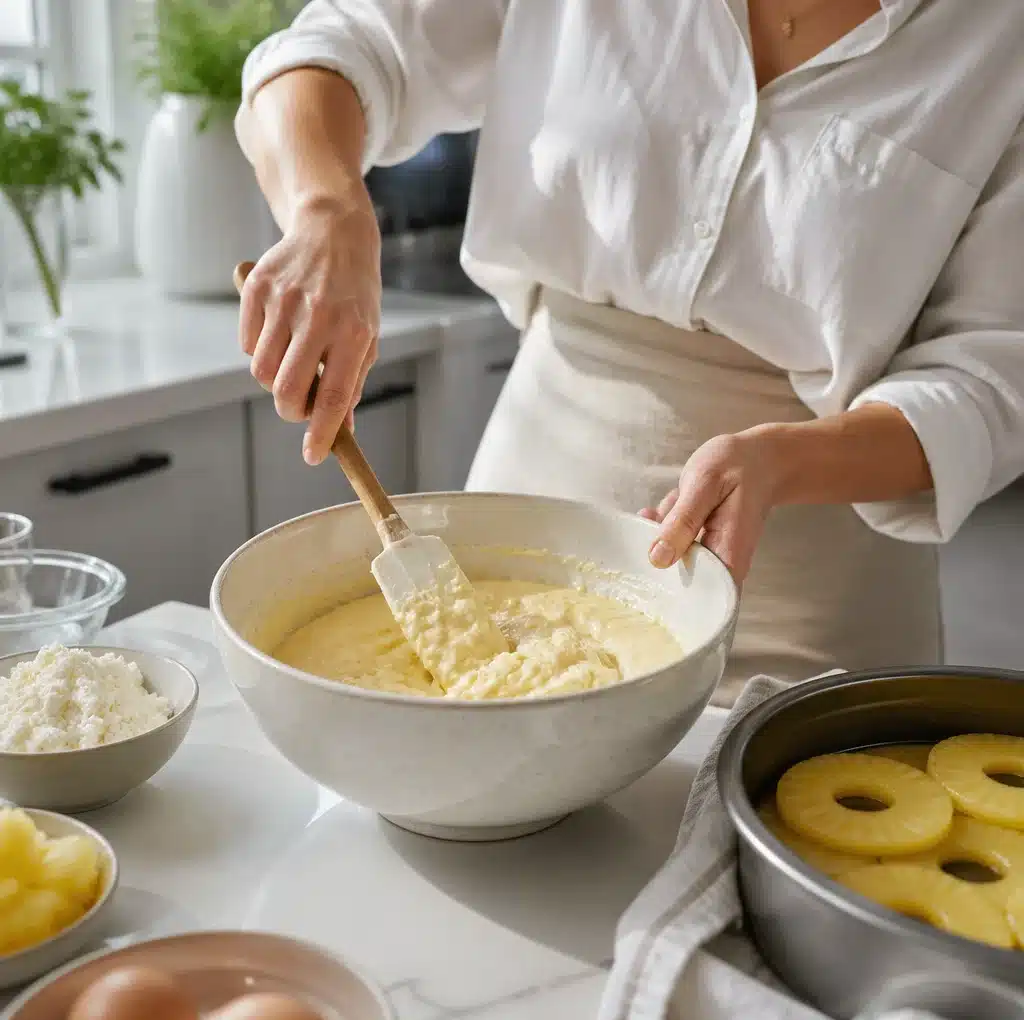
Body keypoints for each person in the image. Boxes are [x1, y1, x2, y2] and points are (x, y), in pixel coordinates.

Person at [234, 0, 1024, 704]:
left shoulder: (999, 38)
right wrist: (326, 210)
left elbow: (988, 380)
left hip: (809, 592)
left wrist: (786, 461)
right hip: (523, 525)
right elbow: (342, 45)